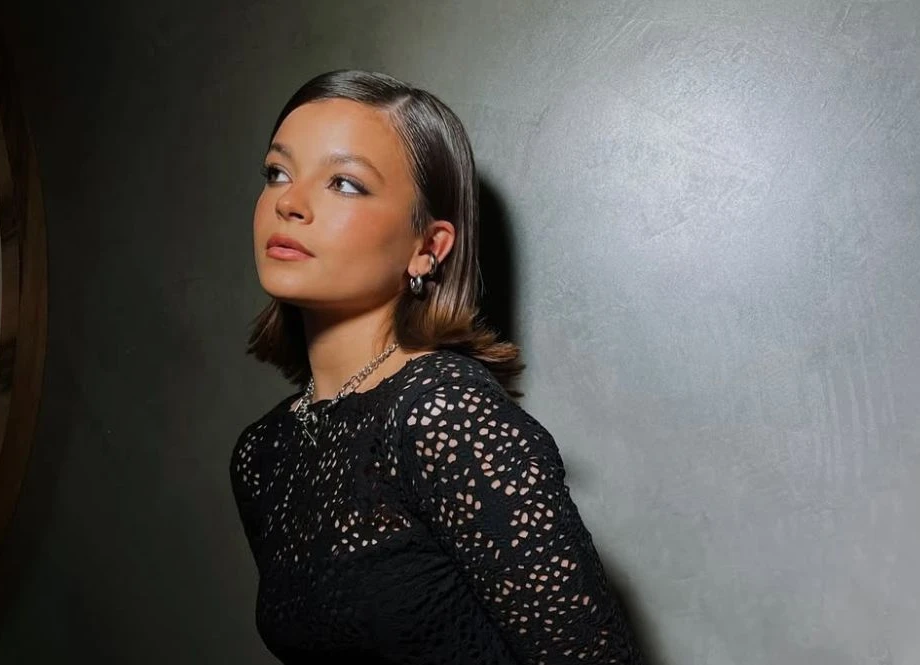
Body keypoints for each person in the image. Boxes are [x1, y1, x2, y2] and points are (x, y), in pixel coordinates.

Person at [229, 69, 644, 664]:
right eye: (277, 172)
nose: (288, 203)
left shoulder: (443, 413)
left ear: (428, 247)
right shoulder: (263, 452)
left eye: (344, 183)